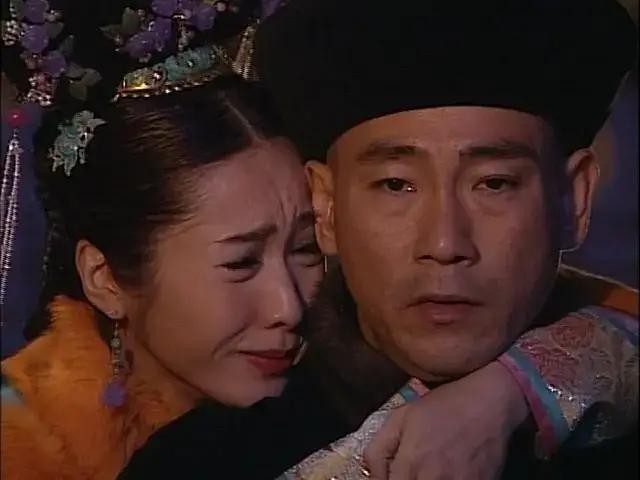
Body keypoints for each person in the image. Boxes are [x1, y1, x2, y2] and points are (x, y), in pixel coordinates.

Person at [117, 0, 639, 479]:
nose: (444, 243)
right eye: (395, 185)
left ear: (573, 200)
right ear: (325, 207)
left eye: (494, 184)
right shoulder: (201, 465)